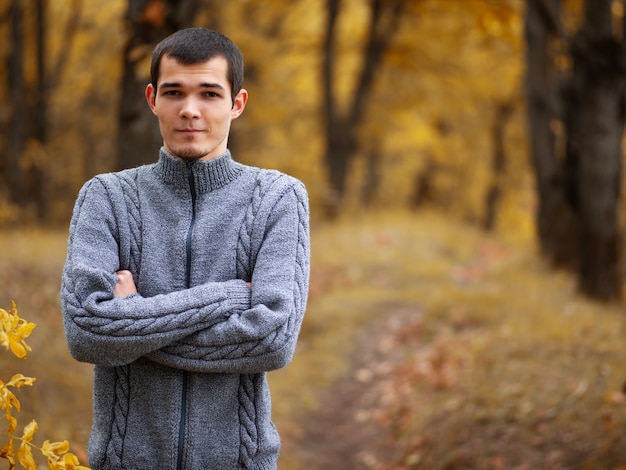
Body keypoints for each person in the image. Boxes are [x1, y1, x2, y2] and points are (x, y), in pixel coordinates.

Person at [60, 27, 310, 470]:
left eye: (209, 94)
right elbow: (86, 333)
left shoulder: (278, 198)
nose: (190, 110)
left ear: (237, 103)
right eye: (174, 92)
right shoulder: (106, 197)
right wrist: (232, 296)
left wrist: (133, 316)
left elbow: (272, 340)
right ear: (152, 98)